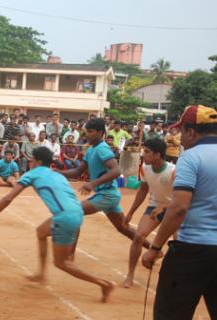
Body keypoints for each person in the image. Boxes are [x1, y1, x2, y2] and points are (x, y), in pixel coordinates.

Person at [0, 147, 115, 302]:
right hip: (76, 212)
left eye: (32, 159)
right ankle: (41, 274)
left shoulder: (32, 174)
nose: (29, 162)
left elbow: (8, 198)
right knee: (41, 232)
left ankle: (103, 283)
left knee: (62, 264)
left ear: (38, 161)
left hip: (65, 217)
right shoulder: (57, 175)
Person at [142, 105, 217, 319]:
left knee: (171, 314)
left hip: (192, 250)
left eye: (181, 131)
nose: (179, 138)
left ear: (191, 132)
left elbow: (179, 208)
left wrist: (155, 248)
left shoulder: (191, 157)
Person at [58, 118, 148, 259]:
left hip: (107, 195)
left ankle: (69, 255)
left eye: (90, 131)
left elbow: (116, 171)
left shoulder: (102, 148)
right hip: (106, 194)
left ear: (100, 132)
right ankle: (153, 248)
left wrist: (93, 184)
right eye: (86, 131)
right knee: (123, 228)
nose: (87, 134)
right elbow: (77, 172)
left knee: (74, 212)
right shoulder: (91, 150)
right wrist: (56, 172)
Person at [121, 138, 175, 288]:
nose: (143, 154)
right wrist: (131, 212)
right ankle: (130, 276)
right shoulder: (145, 168)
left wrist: (165, 207)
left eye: (146, 151)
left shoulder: (173, 171)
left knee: (178, 245)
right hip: (154, 207)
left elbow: (181, 197)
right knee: (138, 236)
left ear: (157, 155)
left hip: (173, 209)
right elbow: (143, 190)